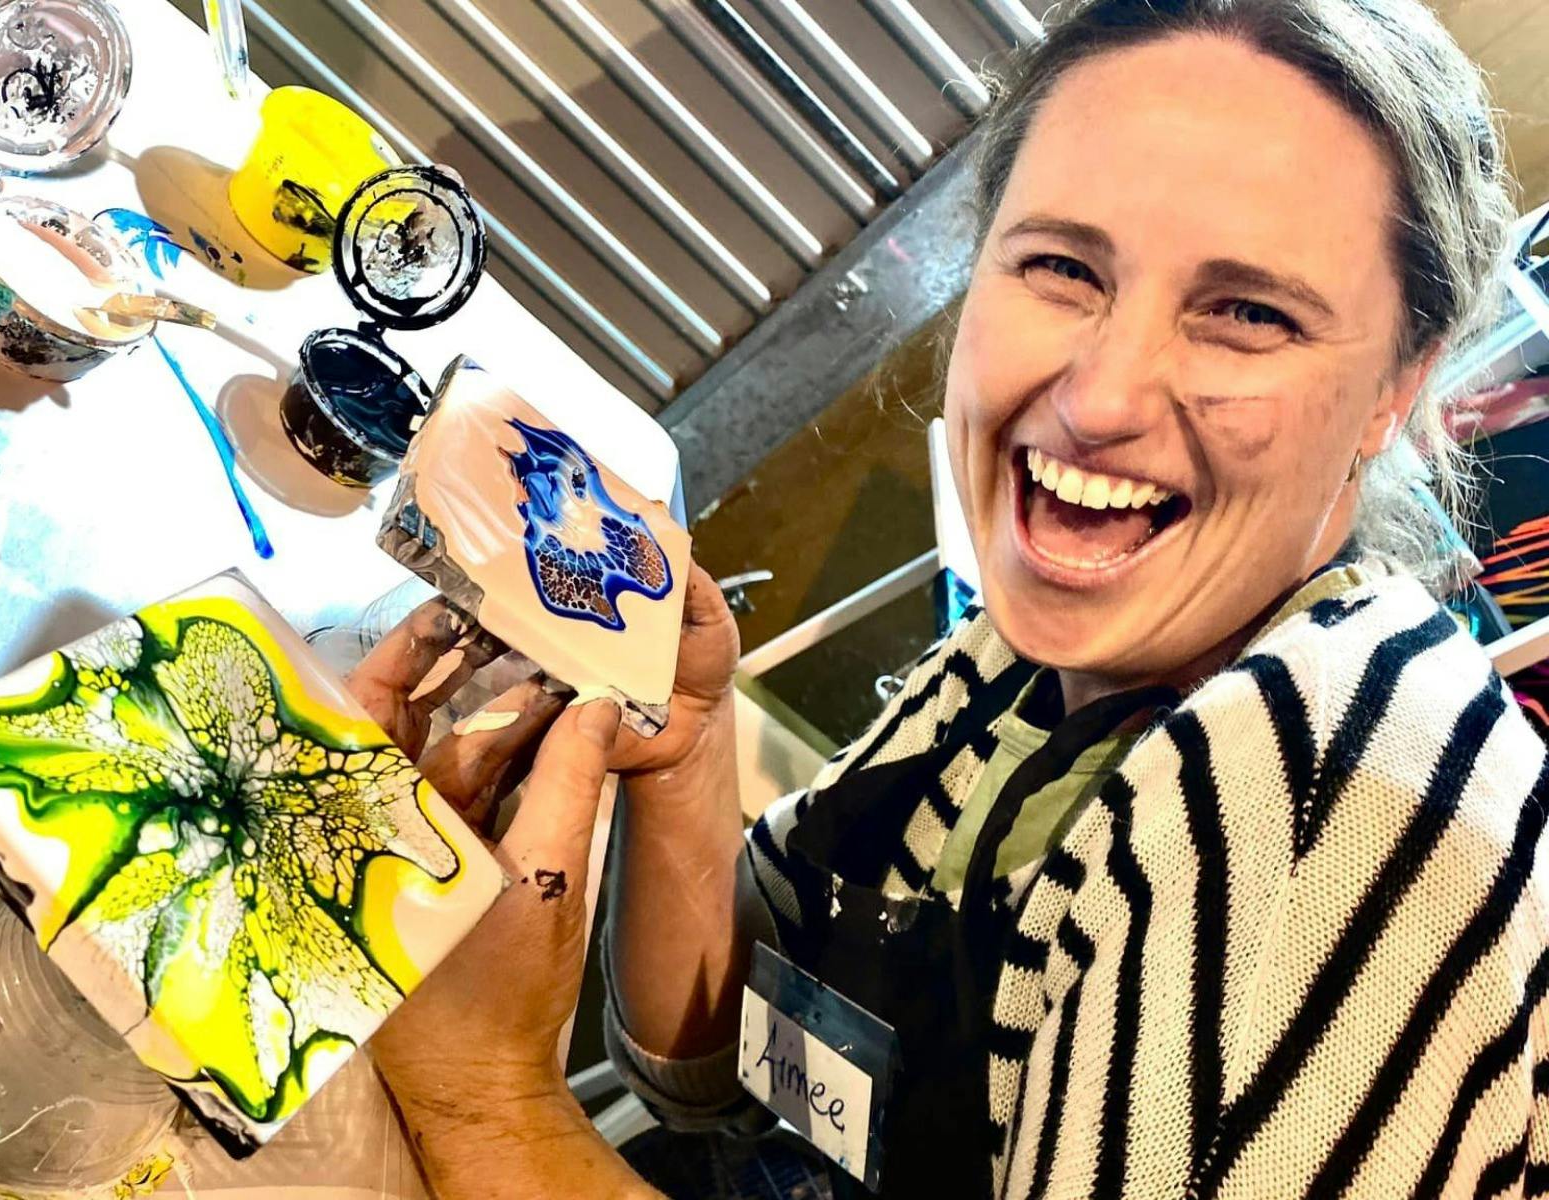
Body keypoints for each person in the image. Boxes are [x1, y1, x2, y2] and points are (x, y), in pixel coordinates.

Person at [359, 0, 1549, 1195]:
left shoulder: (1349, 830)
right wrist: (682, 754)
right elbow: (727, 1076)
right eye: (1062, 267)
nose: (1098, 400)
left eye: (1248, 315)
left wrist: (480, 1086)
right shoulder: (1027, 662)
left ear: (1397, 387)